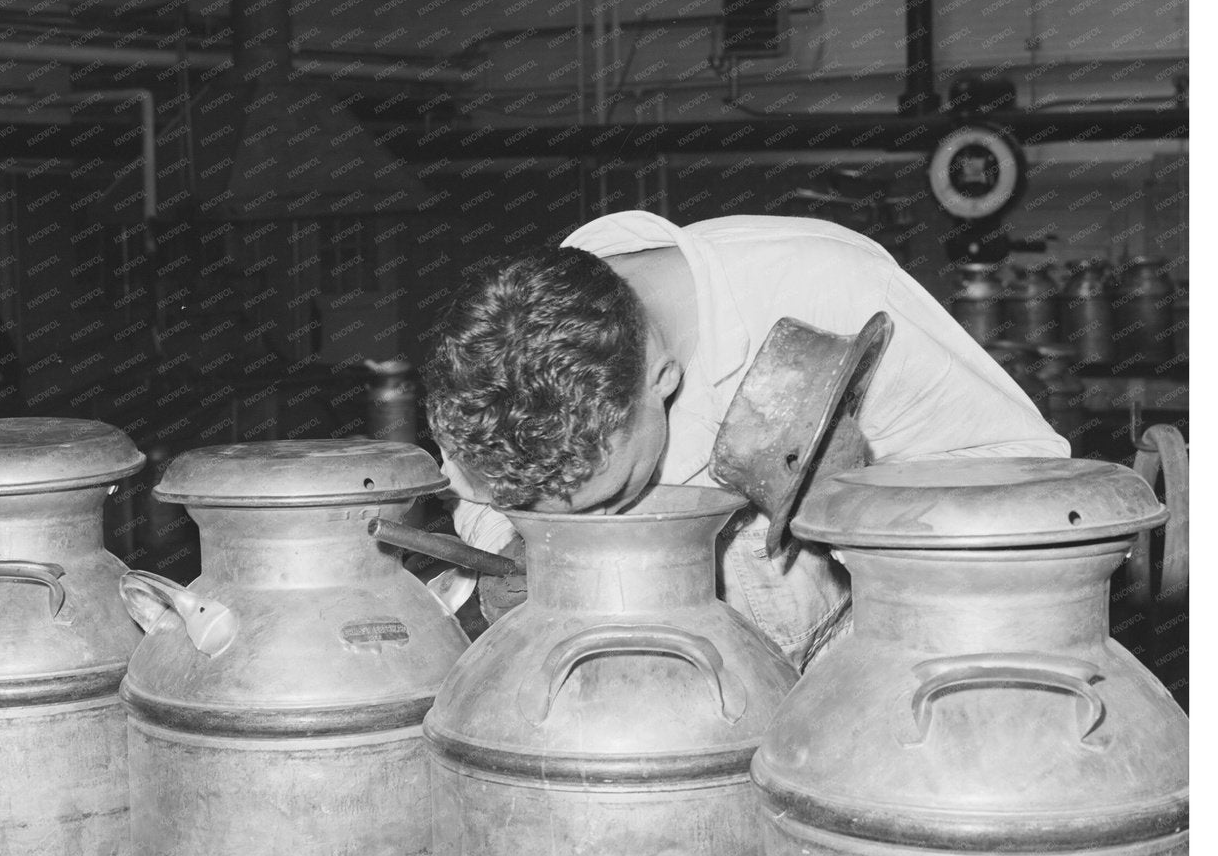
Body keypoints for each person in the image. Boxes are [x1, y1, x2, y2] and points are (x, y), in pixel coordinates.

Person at [422, 210, 1069, 669]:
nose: (599, 524)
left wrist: (859, 507)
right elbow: (480, 498)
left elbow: (1023, 478)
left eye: (613, 492)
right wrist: (516, 549)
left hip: (847, 678)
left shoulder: (825, 289)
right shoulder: (501, 364)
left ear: (664, 379)